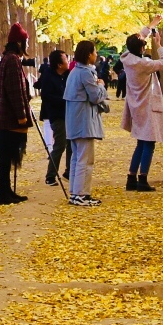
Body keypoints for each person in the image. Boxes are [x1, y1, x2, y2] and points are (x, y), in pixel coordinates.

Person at [118, 30, 163, 192]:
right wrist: (159, 45)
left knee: (141, 142)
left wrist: (151, 25)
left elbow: (135, 41)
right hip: (147, 105)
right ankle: (142, 178)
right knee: (149, 142)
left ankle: (131, 177)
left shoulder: (127, 59)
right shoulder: (145, 64)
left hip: (136, 106)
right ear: (141, 49)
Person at [62, 40, 110, 206]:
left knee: (76, 158)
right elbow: (96, 96)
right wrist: (102, 86)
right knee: (85, 159)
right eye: (94, 52)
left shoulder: (74, 72)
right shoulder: (86, 73)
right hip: (84, 122)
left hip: (74, 121)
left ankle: (76, 193)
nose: (96, 55)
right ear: (89, 54)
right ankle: (82, 194)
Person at [0, 25, 33, 204]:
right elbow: (15, 91)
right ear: (19, 42)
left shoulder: (8, 59)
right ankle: (4, 193)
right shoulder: (13, 60)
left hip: (4, 117)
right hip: (9, 119)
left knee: (6, 156)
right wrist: (22, 115)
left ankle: (7, 191)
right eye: (25, 41)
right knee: (7, 156)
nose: (27, 45)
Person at [38, 49, 71, 186]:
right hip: (57, 115)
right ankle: (50, 175)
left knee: (71, 144)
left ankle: (69, 172)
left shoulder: (68, 75)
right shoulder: (48, 76)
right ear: (59, 64)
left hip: (69, 114)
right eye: (65, 59)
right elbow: (46, 96)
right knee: (60, 144)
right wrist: (65, 100)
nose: (68, 62)